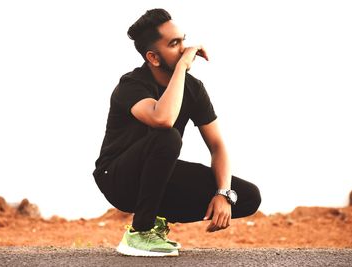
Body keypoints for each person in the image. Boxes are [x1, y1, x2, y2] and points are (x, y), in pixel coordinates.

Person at [93, 8, 261, 257]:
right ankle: (140, 232)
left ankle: (157, 219)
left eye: (183, 39)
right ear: (153, 58)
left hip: (156, 175)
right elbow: (162, 119)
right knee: (167, 136)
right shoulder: (131, 85)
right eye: (174, 44)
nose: (185, 49)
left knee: (247, 196)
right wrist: (182, 67)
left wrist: (223, 193)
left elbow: (217, 146)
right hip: (117, 178)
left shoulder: (193, 89)